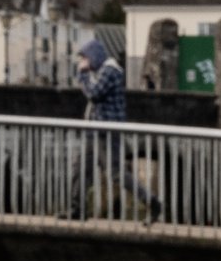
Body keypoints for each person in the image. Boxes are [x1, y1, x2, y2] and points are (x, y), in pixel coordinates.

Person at [66, 39, 161, 222]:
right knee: (80, 169)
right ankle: (77, 209)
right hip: (94, 130)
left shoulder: (111, 71)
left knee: (116, 173)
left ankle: (152, 202)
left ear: (94, 56)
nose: (83, 62)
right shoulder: (102, 71)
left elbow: (94, 94)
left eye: (85, 58)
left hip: (106, 131)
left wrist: (83, 75)